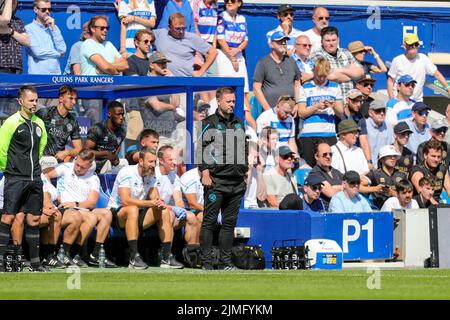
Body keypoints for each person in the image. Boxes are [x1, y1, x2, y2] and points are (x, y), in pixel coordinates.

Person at [197, 86, 248, 270]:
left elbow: (244, 148)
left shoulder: (239, 123)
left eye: (234, 101)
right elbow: (200, 148)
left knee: (229, 224)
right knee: (209, 222)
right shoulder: (209, 122)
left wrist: (245, 172)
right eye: (229, 101)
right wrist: (205, 171)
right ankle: (206, 262)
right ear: (218, 101)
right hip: (216, 181)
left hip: (236, 182)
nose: (232, 104)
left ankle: (226, 262)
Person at [107, 147, 183, 269]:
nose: (153, 165)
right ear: (141, 161)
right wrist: (150, 203)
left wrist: (159, 202)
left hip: (139, 213)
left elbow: (155, 197)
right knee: (132, 209)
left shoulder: (151, 175)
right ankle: (133, 257)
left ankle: (166, 257)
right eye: (150, 162)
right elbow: (125, 200)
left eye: (154, 162)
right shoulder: (127, 172)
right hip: (118, 213)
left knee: (163, 210)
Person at [0, 85, 48, 272]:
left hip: (34, 178)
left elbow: (41, 147)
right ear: (21, 101)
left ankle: (35, 263)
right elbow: (2, 149)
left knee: (34, 219)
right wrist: (10, 170)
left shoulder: (40, 123)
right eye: (31, 100)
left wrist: (34, 169)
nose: (34, 103)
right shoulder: (11, 122)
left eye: (36, 100)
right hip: (15, 178)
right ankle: (1, 261)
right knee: (9, 216)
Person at [44, 149, 117, 268]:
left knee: (106, 214)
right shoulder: (65, 167)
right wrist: (53, 191)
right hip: (65, 207)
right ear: (76, 159)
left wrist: (75, 204)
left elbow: (92, 202)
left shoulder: (93, 177)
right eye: (77, 164)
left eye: (83, 167)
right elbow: (45, 174)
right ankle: (71, 254)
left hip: (80, 207)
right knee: (91, 217)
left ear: (89, 166)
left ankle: (95, 255)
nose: (78, 168)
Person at [297, 57, 343, 167]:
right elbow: (301, 113)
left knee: (330, 167)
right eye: (319, 75)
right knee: (308, 168)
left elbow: (341, 113)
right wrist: (316, 106)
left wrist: (333, 106)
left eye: (324, 75)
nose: (322, 78)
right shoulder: (305, 87)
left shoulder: (335, 87)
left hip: (329, 133)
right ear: (314, 71)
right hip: (309, 134)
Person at [155, 145, 201, 250]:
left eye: (175, 159)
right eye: (170, 159)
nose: (175, 162)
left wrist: (181, 210)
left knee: (191, 216)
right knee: (169, 214)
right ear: (161, 161)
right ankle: (166, 255)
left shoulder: (174, 176)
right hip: (155, 211)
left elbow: (178, 199)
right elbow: (156, 201)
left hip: (169, 209)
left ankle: (191, 253)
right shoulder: (154, 174)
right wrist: (172, 209)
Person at [388, 33, 450, 102]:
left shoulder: (423, 58)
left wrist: (448, 88)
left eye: (416, 44)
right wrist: (392, 100)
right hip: (399, 101)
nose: (414, 46)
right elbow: (390, 81)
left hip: (417, 102)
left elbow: (437, 74)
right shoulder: (397, 60)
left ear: (419, 45)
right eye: (411, 45)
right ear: (405, 46)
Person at [153, 12, 217, 77]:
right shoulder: (160, 34)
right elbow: (143, 35)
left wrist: (201, 72)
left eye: (183, 28)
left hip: (185, 81)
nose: (181, 31)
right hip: (164, 80)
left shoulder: (191, 38)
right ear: (169, 27)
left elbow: (213, 52)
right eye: (178, 29)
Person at [253, 31, 301, 112]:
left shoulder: (291, 61)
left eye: (284, 42)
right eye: (279, 42)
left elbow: (297, 83)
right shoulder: (263, 62)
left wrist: (297, 104)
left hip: (291, 111)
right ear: (271, 44)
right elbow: (256, 87)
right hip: (272, 111)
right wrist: (268, 110)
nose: (283, 44)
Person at [311, 26, 364, 99]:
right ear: (321, 41)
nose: (331, 43)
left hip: (351, 101)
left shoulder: (346, 53)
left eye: (333, 40)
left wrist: (339, 70)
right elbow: (328, 76)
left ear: (338, 40)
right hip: (330, 101)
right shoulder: (317, 55)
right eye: (328, 41)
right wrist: (351, 76)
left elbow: (360, 72)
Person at [36, 85, 82, 162]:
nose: (74, 102)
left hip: (58, 163)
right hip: (40, 160)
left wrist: (67, 152)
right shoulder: (45, 113)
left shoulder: (72, 121)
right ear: (60, 99)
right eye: (70, 98)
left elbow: (79, 149)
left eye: (75, 99)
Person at [25, 0, 66, 74]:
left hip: (55, 74)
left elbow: (62, 50)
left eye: (49, 9)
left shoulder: (54, 28)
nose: (47, 12)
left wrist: (54, 28)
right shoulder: (28, 28)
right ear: (35, 10)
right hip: (37, 75)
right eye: (44, 9)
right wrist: (58, 55)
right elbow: (38, 52)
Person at [85, 100, 126, 174]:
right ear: (109, 114)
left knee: (124, 163)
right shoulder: (97, 129)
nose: (121, 117)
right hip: (92, 165)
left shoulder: (122, 131)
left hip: (108, 165)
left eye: (122, 114)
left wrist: (115, 158)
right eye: (118, 114)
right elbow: (85, 152)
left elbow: (117, 147)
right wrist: (105, 153)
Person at [362, 145, 406, 210]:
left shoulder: (402, 175)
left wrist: (392, 193)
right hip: (379, 210)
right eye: (389, 156)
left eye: (394, 156)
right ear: (382, 159)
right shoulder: (375, 174)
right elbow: (359, 187)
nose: (393, 158)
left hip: (399, 209)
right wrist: (375, 189)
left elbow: (407, 195)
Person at [409, 140, 449, 204]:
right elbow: (424, 193)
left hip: (437, 204)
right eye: (433, 156)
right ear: (425, 155)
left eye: (439, 157)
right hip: (419, 207)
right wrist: (438, 207)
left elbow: (449, 189)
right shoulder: (417, 171)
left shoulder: (442, 168)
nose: (436, 159)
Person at [307, 141, 343, 210]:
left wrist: (335, 187)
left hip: (342, 208)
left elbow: (352, 186)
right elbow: (331, 193)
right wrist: (345, 187)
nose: (328, 157)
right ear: (316, 156)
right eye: (325, 154)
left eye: (330, 154)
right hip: (327, 212)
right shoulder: (314, 173)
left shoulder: (336, 172)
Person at [362, 100, 394, 169]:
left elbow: (391, 146)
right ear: (370, 113)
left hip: (385, 168)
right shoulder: (364, 125)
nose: (382, 113)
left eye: (384, 110)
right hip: (368, 166)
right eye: (378, 111)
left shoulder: (389, 126)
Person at [0, 0, 30, 74]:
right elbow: (6, 19)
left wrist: (11, 31)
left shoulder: (18, 20)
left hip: (17, 67)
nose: (13, 2)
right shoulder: (2, 18)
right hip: (2, 66)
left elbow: (27, 42)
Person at [244, 141, 266, 208]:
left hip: (255, 207)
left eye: (257, 157)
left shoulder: (256, 169)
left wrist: (259, 171)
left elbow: (262, 197)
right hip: (243, 207)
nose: (256, 160)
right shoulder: (239, 169)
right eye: (254, 157)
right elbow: (241, 192)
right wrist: (249, 169)